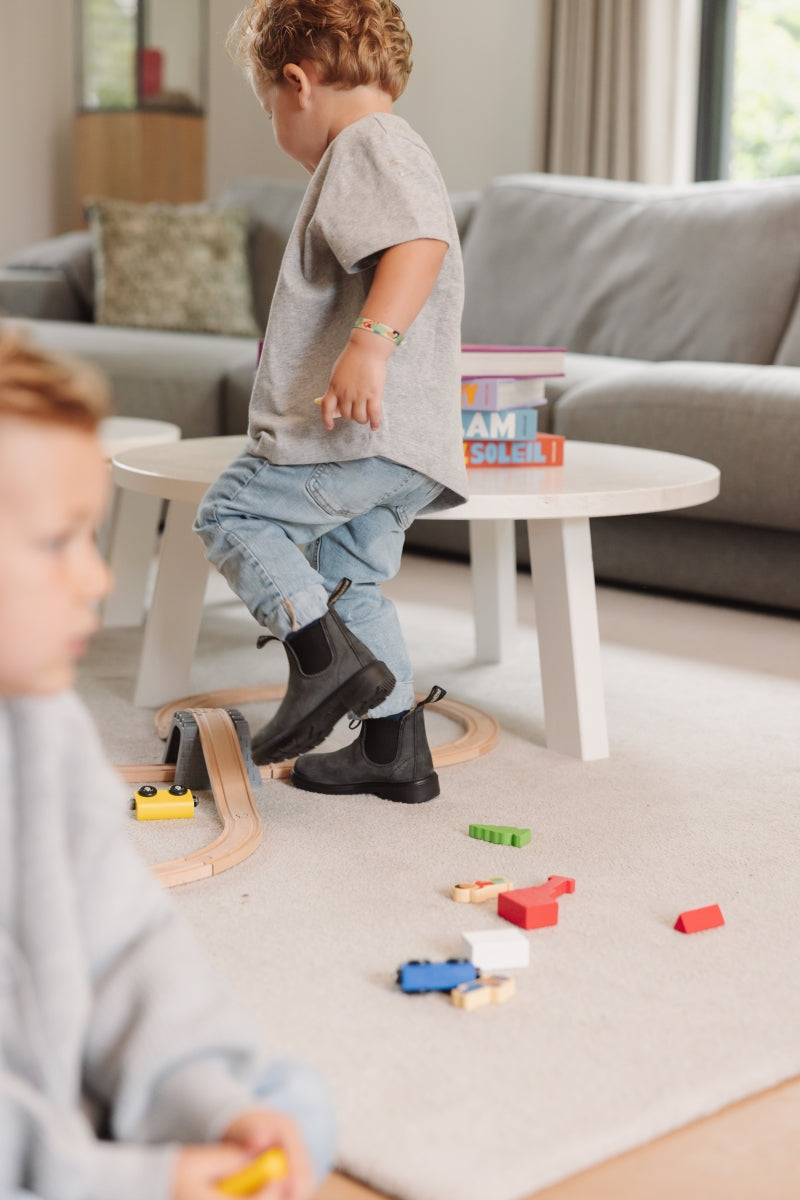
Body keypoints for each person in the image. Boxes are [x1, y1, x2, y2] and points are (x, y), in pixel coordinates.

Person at [0, 327, 335, 1200]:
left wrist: (208, 1107)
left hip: (55, 1112)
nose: (99, 580)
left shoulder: (41, 729)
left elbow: (121, 944)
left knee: (293, 1108)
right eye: (54, 543)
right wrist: (142, 1181)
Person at [193, 0, 468, 804]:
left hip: (354, 437)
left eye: (270, 108)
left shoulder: (366, 144)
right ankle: (392, 746)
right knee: (352, 578)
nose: (277, 125)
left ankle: (323, 660)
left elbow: (419, 244)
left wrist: (369, 344)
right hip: (404, 448)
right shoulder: (393, 146)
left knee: (233, 516)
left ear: (297, 84)